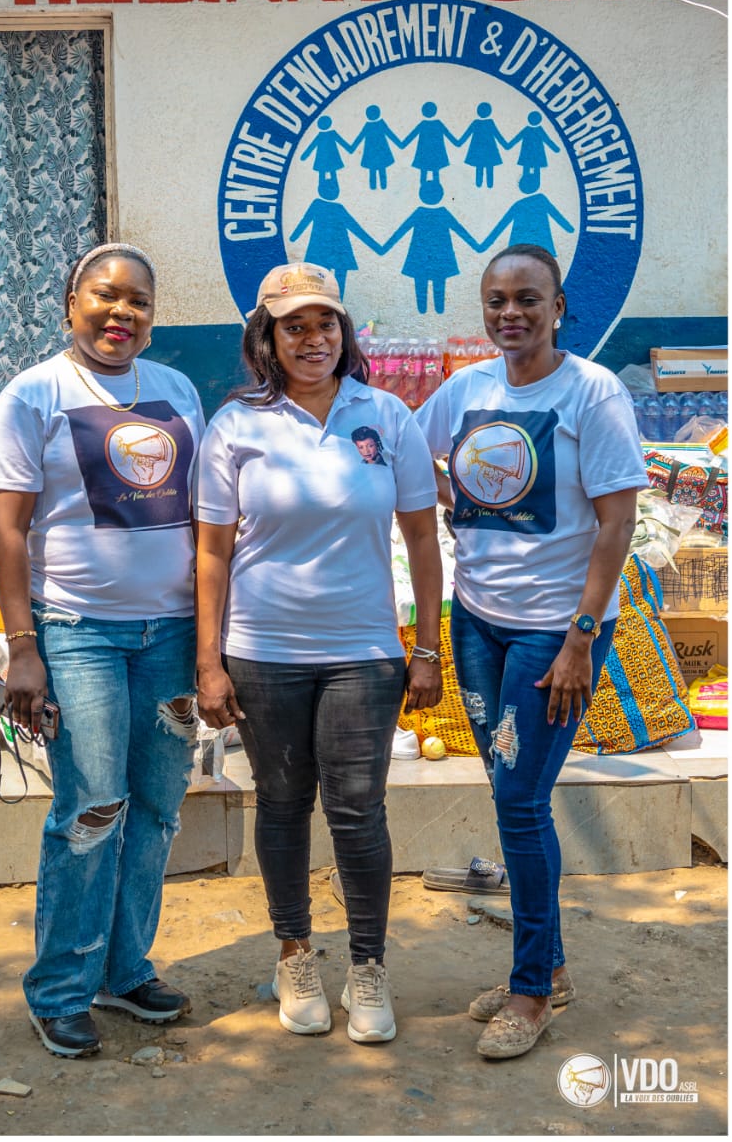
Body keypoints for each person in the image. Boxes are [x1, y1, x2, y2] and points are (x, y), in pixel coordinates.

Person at [194, 261, 443, 1044]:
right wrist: (209, 661)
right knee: (280, 803)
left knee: (358, 810)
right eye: (293, 326)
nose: (312, 339)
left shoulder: (386, 416)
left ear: (344, 330)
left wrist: (427, 648)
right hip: (262, 652)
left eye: (324, 323)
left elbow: (422, 538)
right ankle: (294, 954)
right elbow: (211, 551)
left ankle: (367, 967)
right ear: (266, 339)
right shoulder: (236, 425)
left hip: (362, 652)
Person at [416, 243, 647, 1060]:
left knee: (518, 802)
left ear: (557, 309)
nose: (509, 313)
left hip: (556, 632)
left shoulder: (591, 391)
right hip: (476, 620)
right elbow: (406, 452)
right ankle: (545, 965)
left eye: (526, 300)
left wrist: (581, 637)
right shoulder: (465, 390)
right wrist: (449, 495)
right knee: (512, 793)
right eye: (495, 301)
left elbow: (617, 522)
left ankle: (531, 992)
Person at [0, 242, 205, 1059]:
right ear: (71, 303)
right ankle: (61, 989)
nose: (121, 313)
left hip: (170, 635)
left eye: (138, 300)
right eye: (105, 296)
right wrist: (22, 646)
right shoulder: (33, 393)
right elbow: (7, 525)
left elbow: (204, 517)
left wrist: (212, 642)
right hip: (77, 632)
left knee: (157, 808)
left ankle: (123, 968)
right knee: (91, 809)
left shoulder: (177, 390)